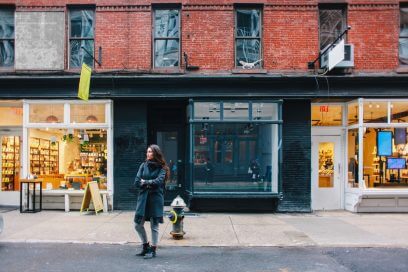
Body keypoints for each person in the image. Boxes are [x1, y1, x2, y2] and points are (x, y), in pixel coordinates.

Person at [133, 144, 169, 259]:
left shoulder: (162, 168)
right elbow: (137, 182)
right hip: (143, 198)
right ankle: (145, 246)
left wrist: (146, 182)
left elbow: (158, 182)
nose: (148, 154)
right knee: (138, 225)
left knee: (154, 226)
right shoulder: (143, 166)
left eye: (151, 152)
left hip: (155, 199)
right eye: (148, 152)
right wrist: (148, 183)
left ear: (156, 154)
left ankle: (153, 249)